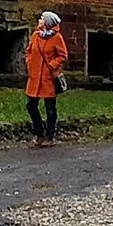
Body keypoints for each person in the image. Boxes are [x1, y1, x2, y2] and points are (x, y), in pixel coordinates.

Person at [25, 10, 68, 147]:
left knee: (50, 107)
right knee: (31, 105)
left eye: (42, 18)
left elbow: (63, 55)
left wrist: (52, 65)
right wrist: (30, 65)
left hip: (48, 78)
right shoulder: (36, 35)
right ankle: (39, 133)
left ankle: (49, 136)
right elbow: (29, 51)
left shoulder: (57, 37)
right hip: (34, 77)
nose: (39, 20)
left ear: (48, 22)